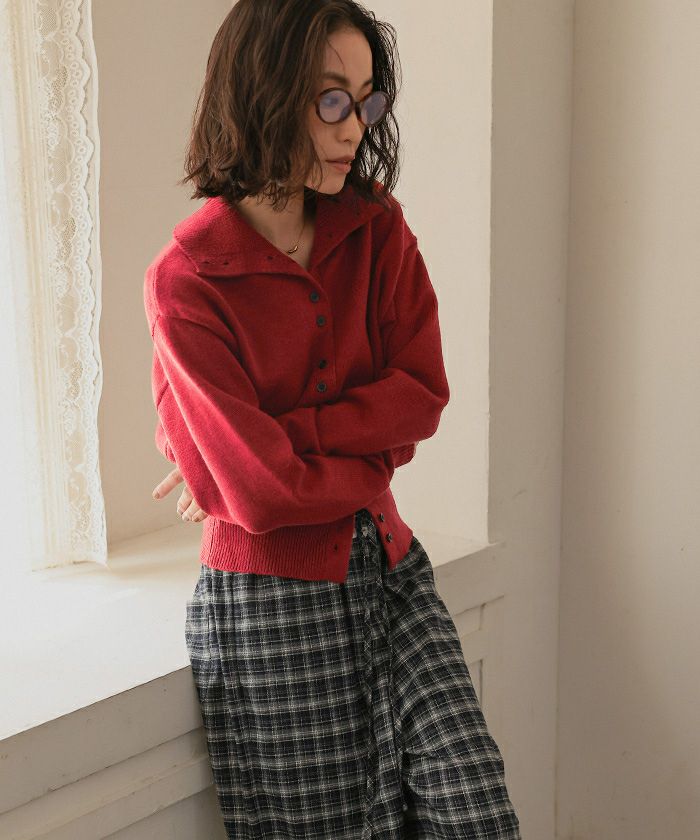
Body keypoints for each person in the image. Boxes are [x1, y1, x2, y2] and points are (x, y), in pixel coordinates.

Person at [144, 1, 522, 837]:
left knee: (477, 812)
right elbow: (264, 494)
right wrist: (344, 453)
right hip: (272, 605)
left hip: (392, 569)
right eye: (330, 99)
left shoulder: (377, 229)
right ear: (263, 91)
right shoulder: (187, 280)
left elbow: (421, 395)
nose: (354, 127)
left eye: (366, 100)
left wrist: (281, 439)